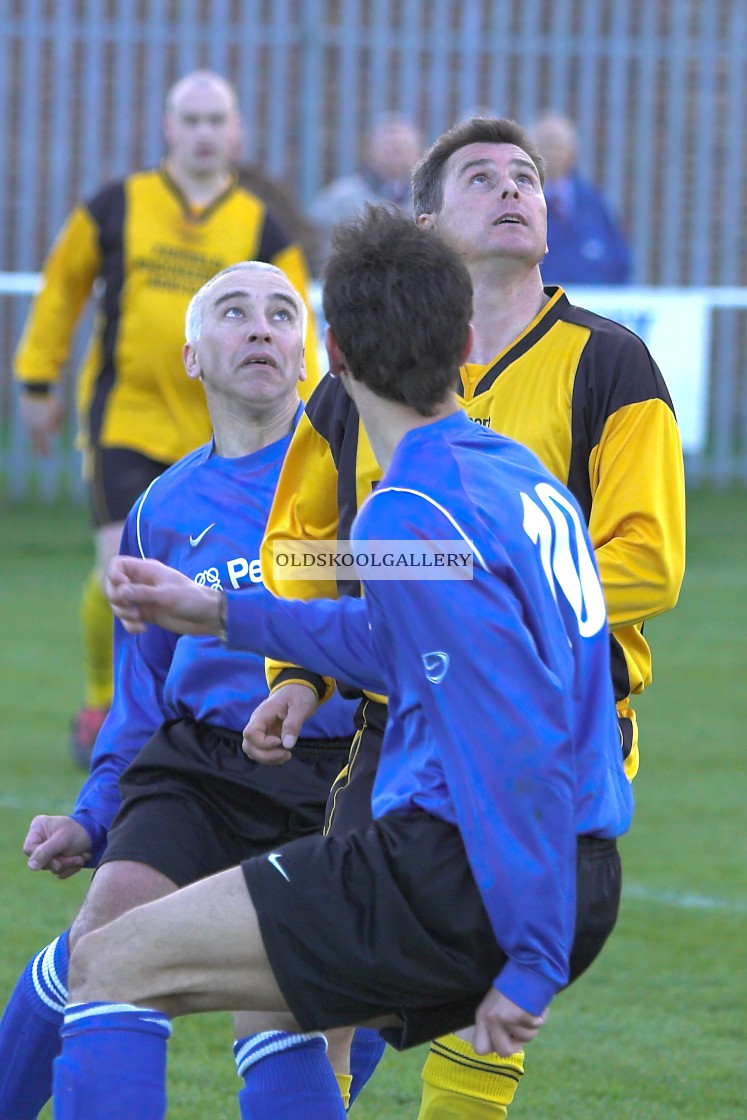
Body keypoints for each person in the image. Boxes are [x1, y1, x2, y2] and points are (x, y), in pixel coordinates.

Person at [50, 205, 634, 1120]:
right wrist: (216, 611)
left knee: (108, 964)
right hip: (571, 862)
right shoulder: (520, 479)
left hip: (465, 875)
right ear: (467, 342)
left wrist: (530, 954)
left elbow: (510, 736)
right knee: (279, 1006)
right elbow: (399, 639)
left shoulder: (408, 510)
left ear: (334, 357)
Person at [250, 116, 685, 1120]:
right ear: (424, 220)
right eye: (481, 176)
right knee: (323, 990)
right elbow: (299, 544)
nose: (512, 189)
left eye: (526, 176)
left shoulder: (613, 364)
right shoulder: (356, 381)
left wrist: (477, 601)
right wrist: (299, 677)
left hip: (547, 734)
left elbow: (649, 559)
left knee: (486, 1002)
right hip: (390, 727)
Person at [0, 261, 359, 1120]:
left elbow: (409, 615)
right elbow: (142, 697)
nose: (261, 328)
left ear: (307, 355)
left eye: (281, 315)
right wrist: (93, 814)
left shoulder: (361, 477)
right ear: (193, 355)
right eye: (234, 314)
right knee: (102, 942)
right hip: (200, 766)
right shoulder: (163, 507)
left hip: (342, 772)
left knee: (289, 1009)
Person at [13, 69, 322, 768]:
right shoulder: (117, 206)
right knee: (117, 574)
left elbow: (295, 321)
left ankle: (217, 703)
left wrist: (321, 411)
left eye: (218, 120)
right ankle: (103, 705)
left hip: (227, 438)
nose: (205, 134)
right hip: (126, 421)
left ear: (237, 132)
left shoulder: (260, 224)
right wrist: (36, 378)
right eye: (192, 120)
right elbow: (62, 289)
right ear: (168, 129)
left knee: (233, 574)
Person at [308, 113, 422, 271]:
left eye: (403, 149)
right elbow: (316, 249)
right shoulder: (337, 199)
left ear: (417, 154)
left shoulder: (430, 199)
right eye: (388, 149)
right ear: (369, 151)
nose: (396, 156)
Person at [530, 111, 632, 286]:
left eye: (559, 146)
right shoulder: (519, 203)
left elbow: (620, 265)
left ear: (572, 151)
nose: (553, 153)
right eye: (546, 144)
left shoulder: (593, 204)